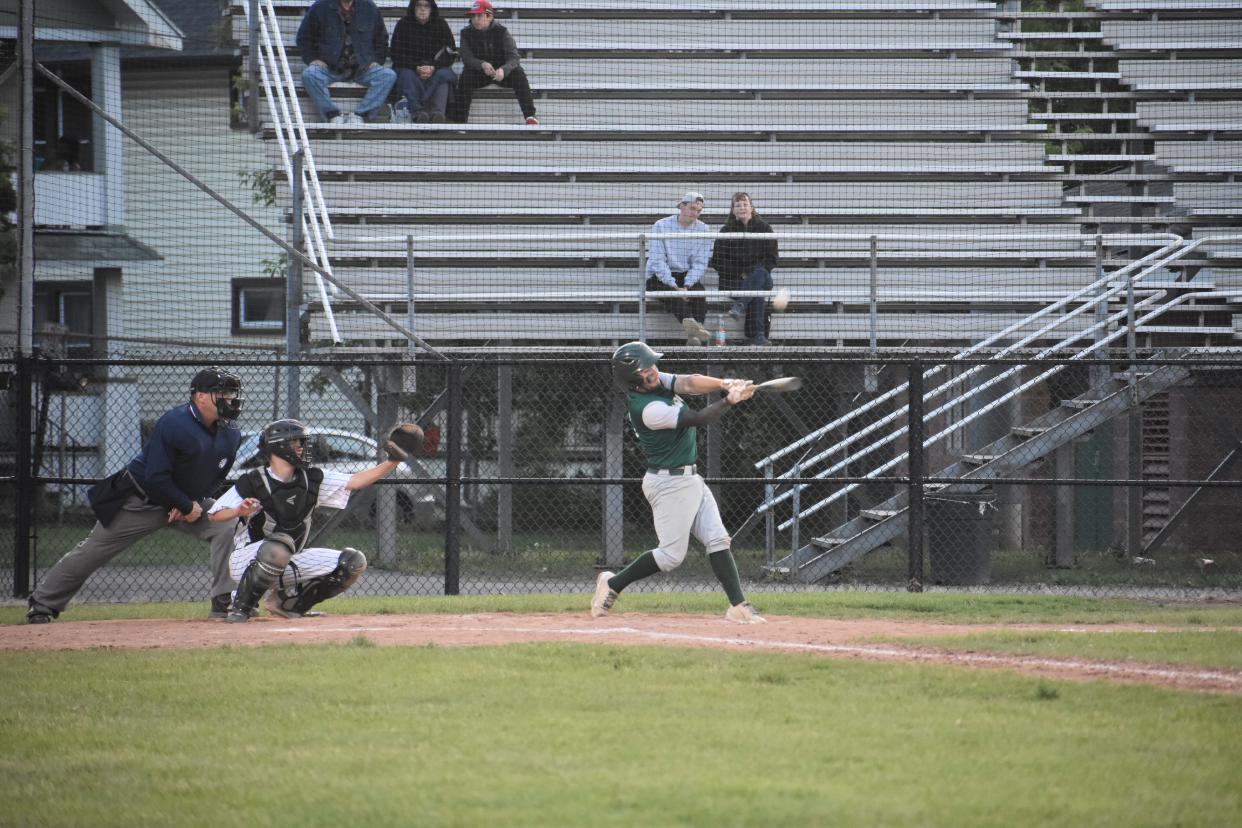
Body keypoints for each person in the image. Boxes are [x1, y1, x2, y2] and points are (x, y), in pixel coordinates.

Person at [26, 368, 245, 624]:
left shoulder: (231, 433)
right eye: (223, 392)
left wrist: (190, 504)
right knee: (93, 551)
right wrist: (184, 504)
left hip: (185, 503)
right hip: (141, 501)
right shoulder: (174, 423)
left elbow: (216, 478)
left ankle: (223, 603)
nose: (230, 397)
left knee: (227, 525)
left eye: (232, 392)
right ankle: (42, 604)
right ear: (201, 397)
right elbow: (156, 477)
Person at [592, 342, 766, 624]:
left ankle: (739, 606)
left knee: (718, 539)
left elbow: (689, 382)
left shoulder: (655, 382)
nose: (655, 372)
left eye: (653, 366)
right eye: (646, 370)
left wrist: (725, 383)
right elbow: (697, 418)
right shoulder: (647, 409)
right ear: (634, 379)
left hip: (689, 479)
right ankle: (613, 584)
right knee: (672, 556)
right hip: (669, 484)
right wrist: (729, 401)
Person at [208, 419, 404, 622]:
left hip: (288, 558)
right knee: (277, 546)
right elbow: (214, 514)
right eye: (296, 442)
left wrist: (393, 461)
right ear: (278, 446)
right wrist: (238, 510)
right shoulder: (253, 481)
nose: (302, 447)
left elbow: (356, 481)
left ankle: (288, 604)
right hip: (246, 561)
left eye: (302, 442)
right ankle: (240, 608)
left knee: (352, 563)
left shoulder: (312, 478)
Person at [297, 0, 397, 125]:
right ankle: (332, 115)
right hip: (329, 68)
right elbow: (304, 38)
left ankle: (361, 115)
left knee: (388, 75)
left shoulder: (370, 8)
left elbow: (381, 38)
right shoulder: (320, 7)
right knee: (310, 75)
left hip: (362, 69)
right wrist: (312, 59)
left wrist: (377, 60)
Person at [451, 0, 538, 125]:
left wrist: (503, 70)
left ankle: (530, 116)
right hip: (479, 74)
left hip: (501, 74)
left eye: (479, 15)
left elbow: (514, 57)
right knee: (465, 77)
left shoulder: (502, 31)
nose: (475, 19)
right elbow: (467, 58)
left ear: (489, 16)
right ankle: (460, 122)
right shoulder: (465, 33)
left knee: (519, 73)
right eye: (473, 16)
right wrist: (482, 64)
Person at [709, 192, 779, 346]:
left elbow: (772, 258)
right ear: (733, 210)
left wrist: (750, 274)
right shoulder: (726, 231)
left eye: (745, 204)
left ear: (751, 208)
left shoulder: (765, 228)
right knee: (757, 293)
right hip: (732, 280)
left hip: (761, 277)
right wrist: (740, 274)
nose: (742, 208)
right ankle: (758, 336)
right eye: (738, 205)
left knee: (759, 274)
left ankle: (740, 305)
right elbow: (717, 261)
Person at [647, 191, 713, 345]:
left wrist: (687, 285)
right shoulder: (661, 226)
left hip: (685, 275)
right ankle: (695, 330)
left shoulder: (703, 229)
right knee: (672, 296)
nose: (695, 213)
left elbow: (700, 262)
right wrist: (675, 286)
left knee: (699, 295)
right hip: (659, 276)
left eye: (699, 211)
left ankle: (694, 335)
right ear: (681, 206)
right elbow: (658, 261)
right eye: (692, 208)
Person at [390, 0, 458, 123]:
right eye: (419, 6)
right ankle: (418, 114)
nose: (422, 9)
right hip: (410, 68)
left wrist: (433, 67)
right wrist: (416, 67)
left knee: (443, 76)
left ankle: (438, 114)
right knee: (406, 76)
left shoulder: (441, 24)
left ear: (432, 8)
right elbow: (396, 54)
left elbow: (451, 53)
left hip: (435, 69)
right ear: (413, 8)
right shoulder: (402, 24)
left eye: (426, 6)